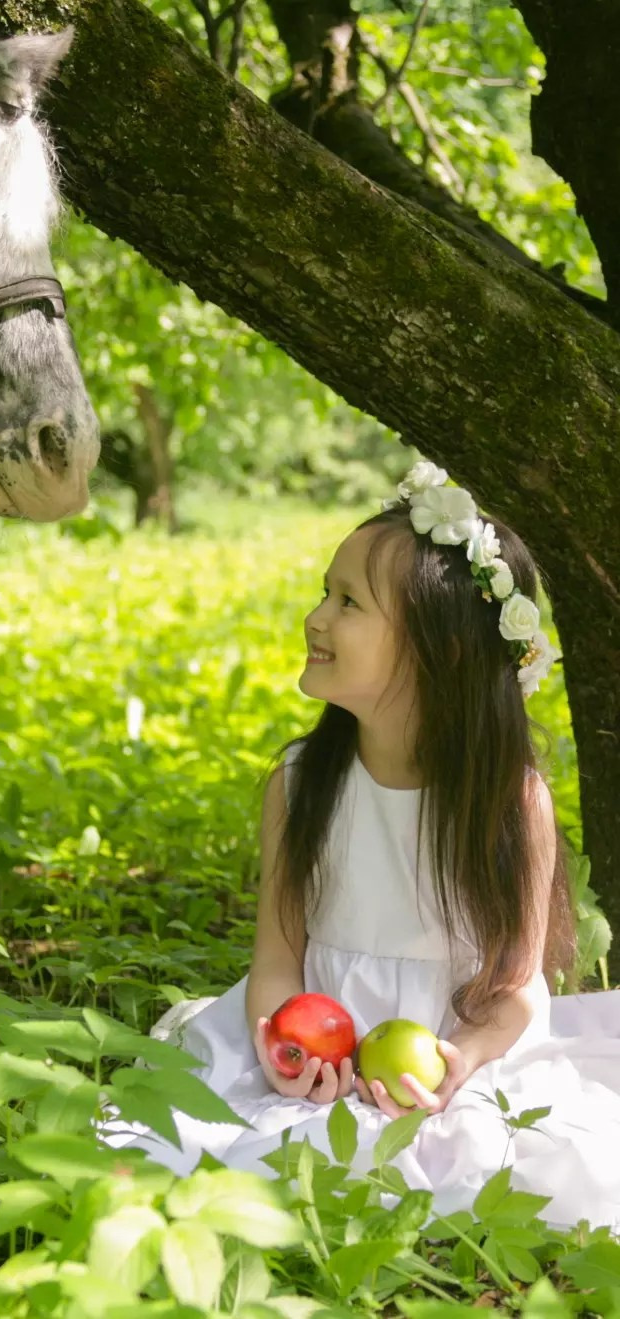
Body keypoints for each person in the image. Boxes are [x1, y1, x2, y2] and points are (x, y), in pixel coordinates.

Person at [106, 462, 620, 1231]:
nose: (317, 617)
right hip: (321, 1039)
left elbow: (516, 987)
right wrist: (287, 1049)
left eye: (349, 602)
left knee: (516, 1158)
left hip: (452, 1053)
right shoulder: (302, 782)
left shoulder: (511, 802)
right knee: (230, 1145)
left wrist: (463, 1058)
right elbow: (279, 957)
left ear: (439, 651)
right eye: (326, 592)